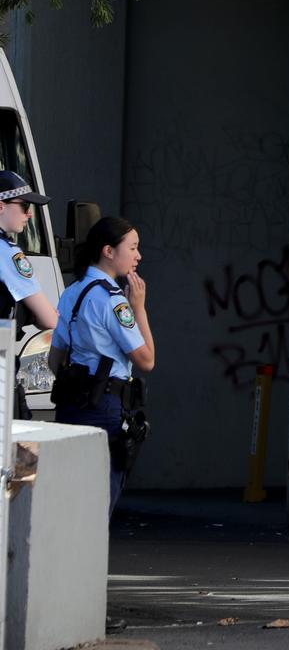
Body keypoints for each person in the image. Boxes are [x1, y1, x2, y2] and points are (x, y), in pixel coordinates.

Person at [46, 216, 154, 635]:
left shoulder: (72, 292)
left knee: (69, 511)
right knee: (95, 515)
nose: (138, 255)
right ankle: (84, 611)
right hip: (106, 409)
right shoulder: (114, 300)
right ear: (109, 251)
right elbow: (146, 360)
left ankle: (58, 602)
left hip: (71, 408)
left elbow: (55, 359)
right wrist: (140, 308)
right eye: (133, 247)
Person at [0, 170, 58, 419]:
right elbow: (50, 320)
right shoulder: (8, 252)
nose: (30, 214)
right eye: (24, 206)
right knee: (17, 454)